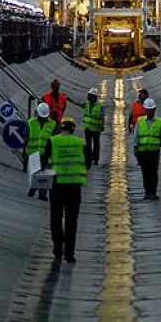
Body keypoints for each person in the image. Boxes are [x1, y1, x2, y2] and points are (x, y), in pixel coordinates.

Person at [43, 116, 87, 262]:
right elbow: (87, 162)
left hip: (56, 186)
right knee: (71, 220)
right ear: (73, 129)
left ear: (61, 128)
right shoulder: (80, 143)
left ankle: (57, 248)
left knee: (55, 219)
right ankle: (69, 253)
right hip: (74, 187)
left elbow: (44, 162)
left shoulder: (53, 141)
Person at [25, 103, 58, 201]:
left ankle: (42, 194)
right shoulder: (31, 122)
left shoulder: (52, 124)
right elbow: (26, 137)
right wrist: (24, 151)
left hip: (46, 153)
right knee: (35, 172)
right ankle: (33, 189)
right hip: (33, 152)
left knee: (45, 173)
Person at [132, 98, 161, 200]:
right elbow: (135, 135)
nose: (150, 112)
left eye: (152, 110)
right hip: (143, 152)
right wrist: (136, 149)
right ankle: (147, 192)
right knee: (145, 172)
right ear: (145, 110)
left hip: (154, 151)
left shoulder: (159, 122)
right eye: (148, 110)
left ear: (155, 109)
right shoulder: (140, 121)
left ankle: (153, 192)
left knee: (154, 172)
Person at [82, 88, 104, 168]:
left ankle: (95, 160)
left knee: (96, 144)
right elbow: (79, 104)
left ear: (94, 97)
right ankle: (89, 159)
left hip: (96, 128)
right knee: (88, 144)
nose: (88, 97)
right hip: (87, 127)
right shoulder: (86, 104)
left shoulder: (100, 106)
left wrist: (102, 126)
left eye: (89, 95)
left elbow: (102, 116)